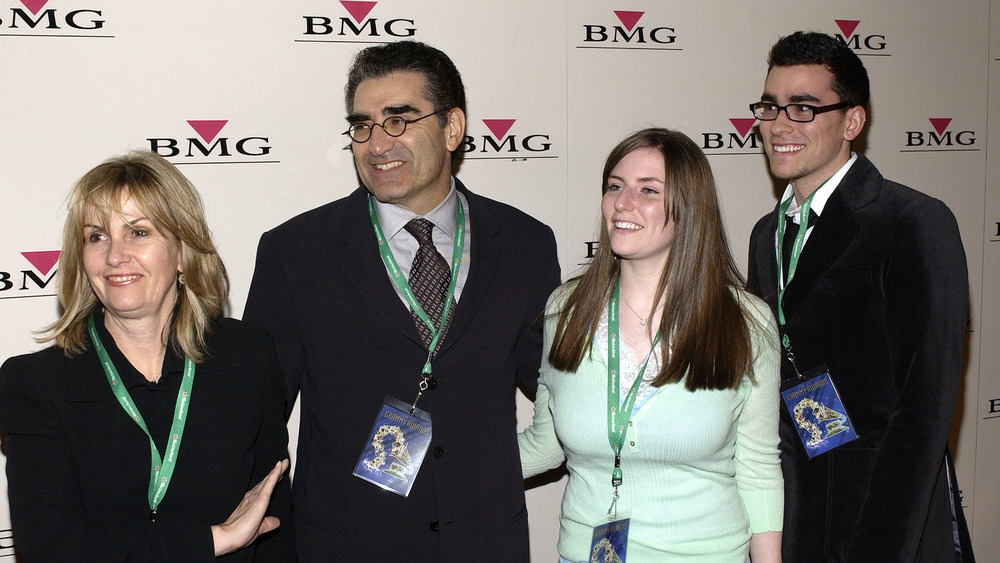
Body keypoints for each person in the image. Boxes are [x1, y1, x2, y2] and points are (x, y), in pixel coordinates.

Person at [243, 40, 560, 561]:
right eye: (362, 126)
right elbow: (256, 419)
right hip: (349, 546)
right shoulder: (296, 252)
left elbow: (561, 384)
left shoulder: (524, 242)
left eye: (398, 120)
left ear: (453, 127)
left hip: (484, 543)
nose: (376, 143)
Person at [746, 31, 974, 561]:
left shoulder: (911, 221)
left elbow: (924, 411)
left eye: (803, 108)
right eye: (770, 106)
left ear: (852, 121)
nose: (779, 124)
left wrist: (879, 547)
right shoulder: (765, 233)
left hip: (883, 520)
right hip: (793, 515)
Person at [0, 151, 294, 561]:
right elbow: (51, 548)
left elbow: (275, 527)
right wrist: (215, 539)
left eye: (138, 232)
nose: (114, 255)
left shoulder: (248, 355)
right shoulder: (36, 383)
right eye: (96, 236)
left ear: (181, 249)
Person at [518, 128, 783, 562]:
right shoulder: (565, 310)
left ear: (689, 209)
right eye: (615, 187)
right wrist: (449, 467)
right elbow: (546, 444)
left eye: (649, 191)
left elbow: (758, 469)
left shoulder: (744, 321)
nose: (623, 203)